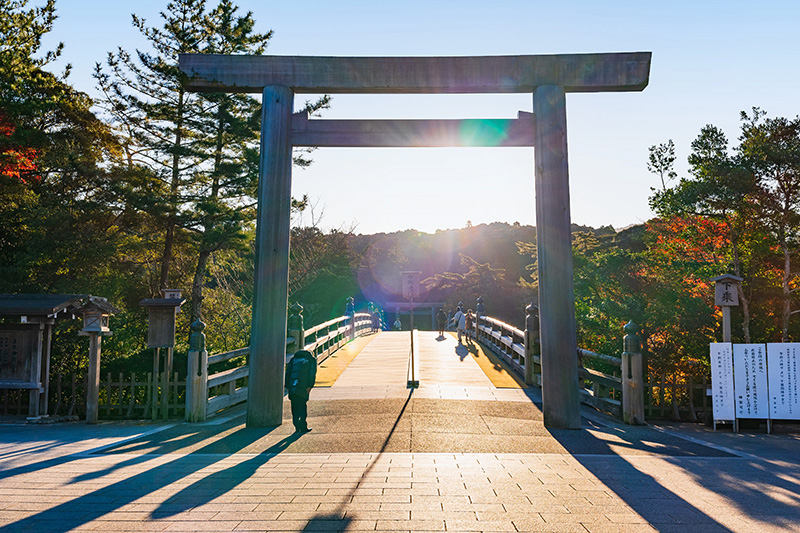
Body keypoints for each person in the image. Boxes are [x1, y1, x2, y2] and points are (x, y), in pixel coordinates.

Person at [284, 349, 317, 433]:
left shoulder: (293, 360)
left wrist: (287, 385)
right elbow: (312, 373)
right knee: (302, 406)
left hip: (293, 386)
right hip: (303, 386)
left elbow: (288, 372)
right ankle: (303, 426)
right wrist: (310, 385)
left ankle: (296, 426)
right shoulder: (311, 360)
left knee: (294, 407)